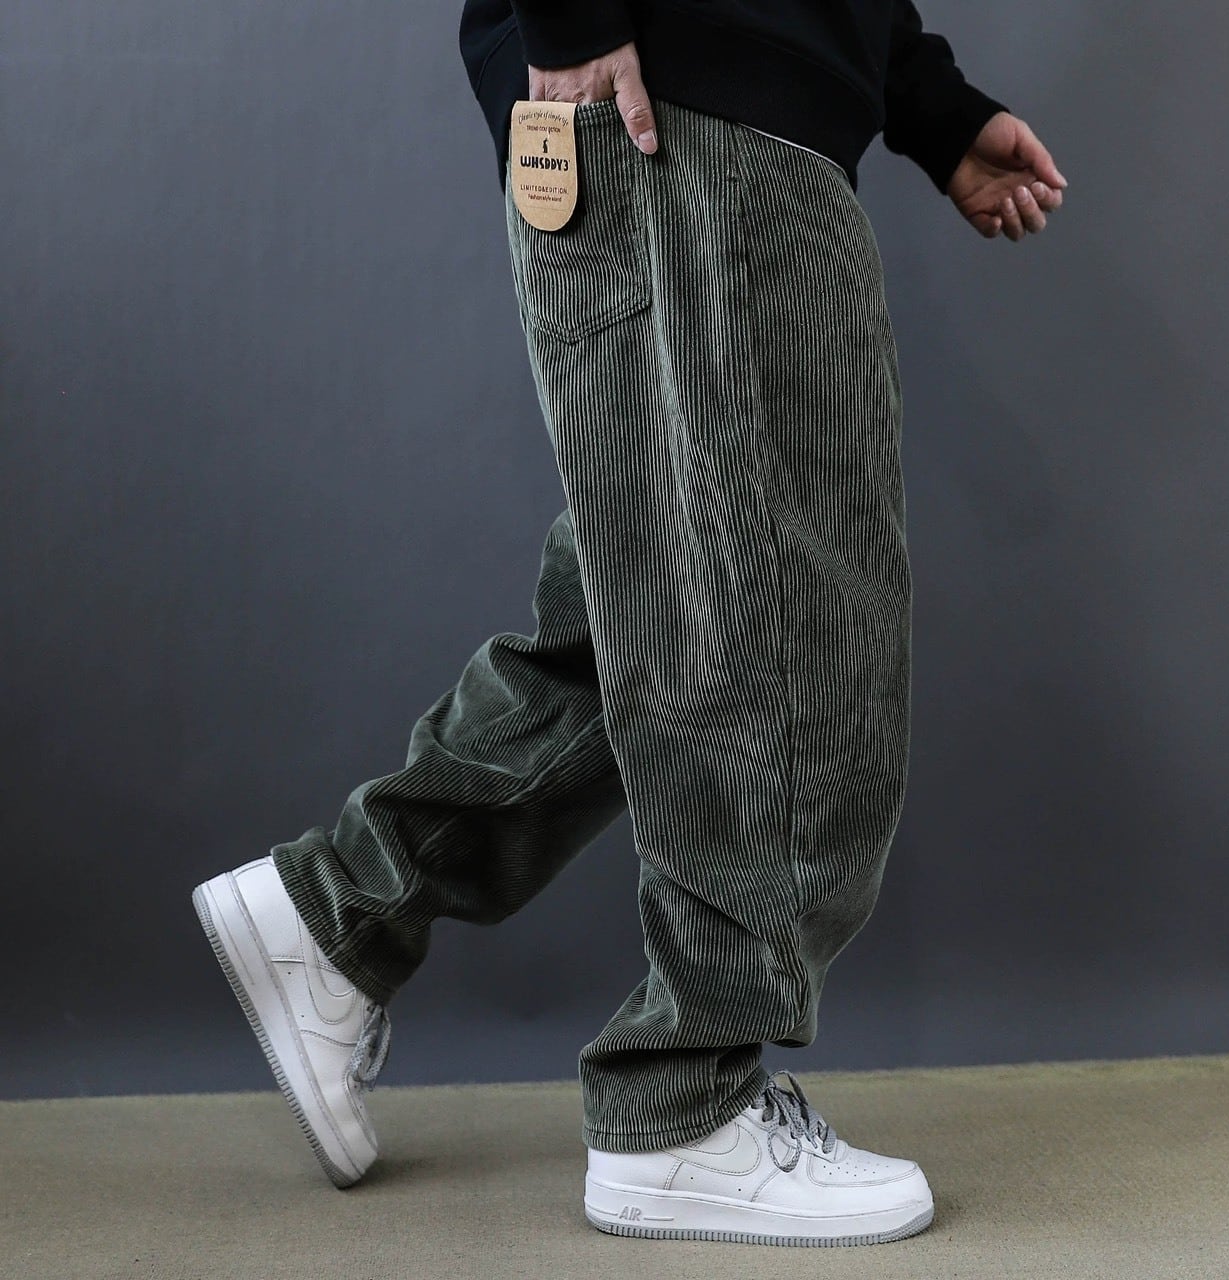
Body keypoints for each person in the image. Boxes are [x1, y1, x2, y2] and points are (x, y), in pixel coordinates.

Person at [192, 0, 1067, 1248]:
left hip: (710, 108)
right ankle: (682, 1104)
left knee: (669, 592)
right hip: (683, 104)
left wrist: (927, 100)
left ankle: (339, 913)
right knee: (785, 624)